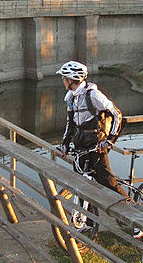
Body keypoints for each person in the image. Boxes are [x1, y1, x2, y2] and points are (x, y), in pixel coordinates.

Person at [54, 60, 130, 237]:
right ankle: (88, 224)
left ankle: (134, 217)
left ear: (72, 79)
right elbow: (70, 123)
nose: (63, 81)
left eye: (64, 78)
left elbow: (117, 114)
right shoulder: (71, 97)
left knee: (107, 181)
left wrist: (110, 140)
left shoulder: (93, 95)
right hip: (81, 143)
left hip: (97, 144)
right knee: (80, 182)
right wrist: (65, 143)